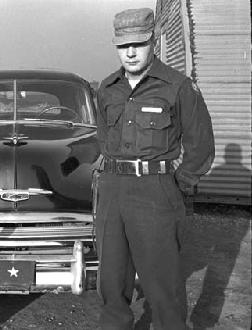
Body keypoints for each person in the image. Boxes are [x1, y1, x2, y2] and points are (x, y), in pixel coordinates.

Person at [95, 8, 215, 329]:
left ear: (153, 40)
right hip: (112, 192)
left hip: (155, 192)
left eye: (138, 43)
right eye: (123, 45)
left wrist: (178, 186)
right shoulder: (107, 89)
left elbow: (201, 147)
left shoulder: (177, 87)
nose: (130, 52)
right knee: (111, 281)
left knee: (162, 285)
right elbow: (104, 141)